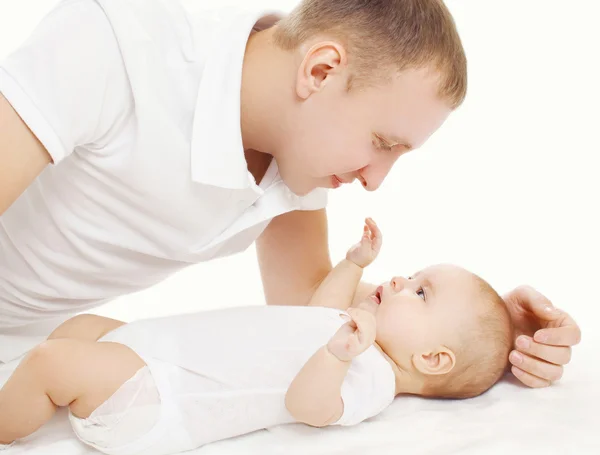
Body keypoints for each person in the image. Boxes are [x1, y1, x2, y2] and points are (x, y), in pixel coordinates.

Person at [0, 0, 580, 387]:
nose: (375, 180)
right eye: (382, 143)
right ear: (321, 71)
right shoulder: (115, 44)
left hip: (29, 356)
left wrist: (490, 336)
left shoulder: (294, 162)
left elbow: (310, 310)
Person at [0, 218, 513, 454]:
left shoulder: (372, 377)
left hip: (163, 397)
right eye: (413, 275)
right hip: (159, 352)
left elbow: (309, 406)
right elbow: (315, 313)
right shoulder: (354, 333)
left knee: (54, 361)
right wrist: (352, 263)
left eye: (421, 293)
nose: (400, 281)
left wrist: (338, 356)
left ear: (433, 359)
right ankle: (14, 385)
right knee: (82, 330)